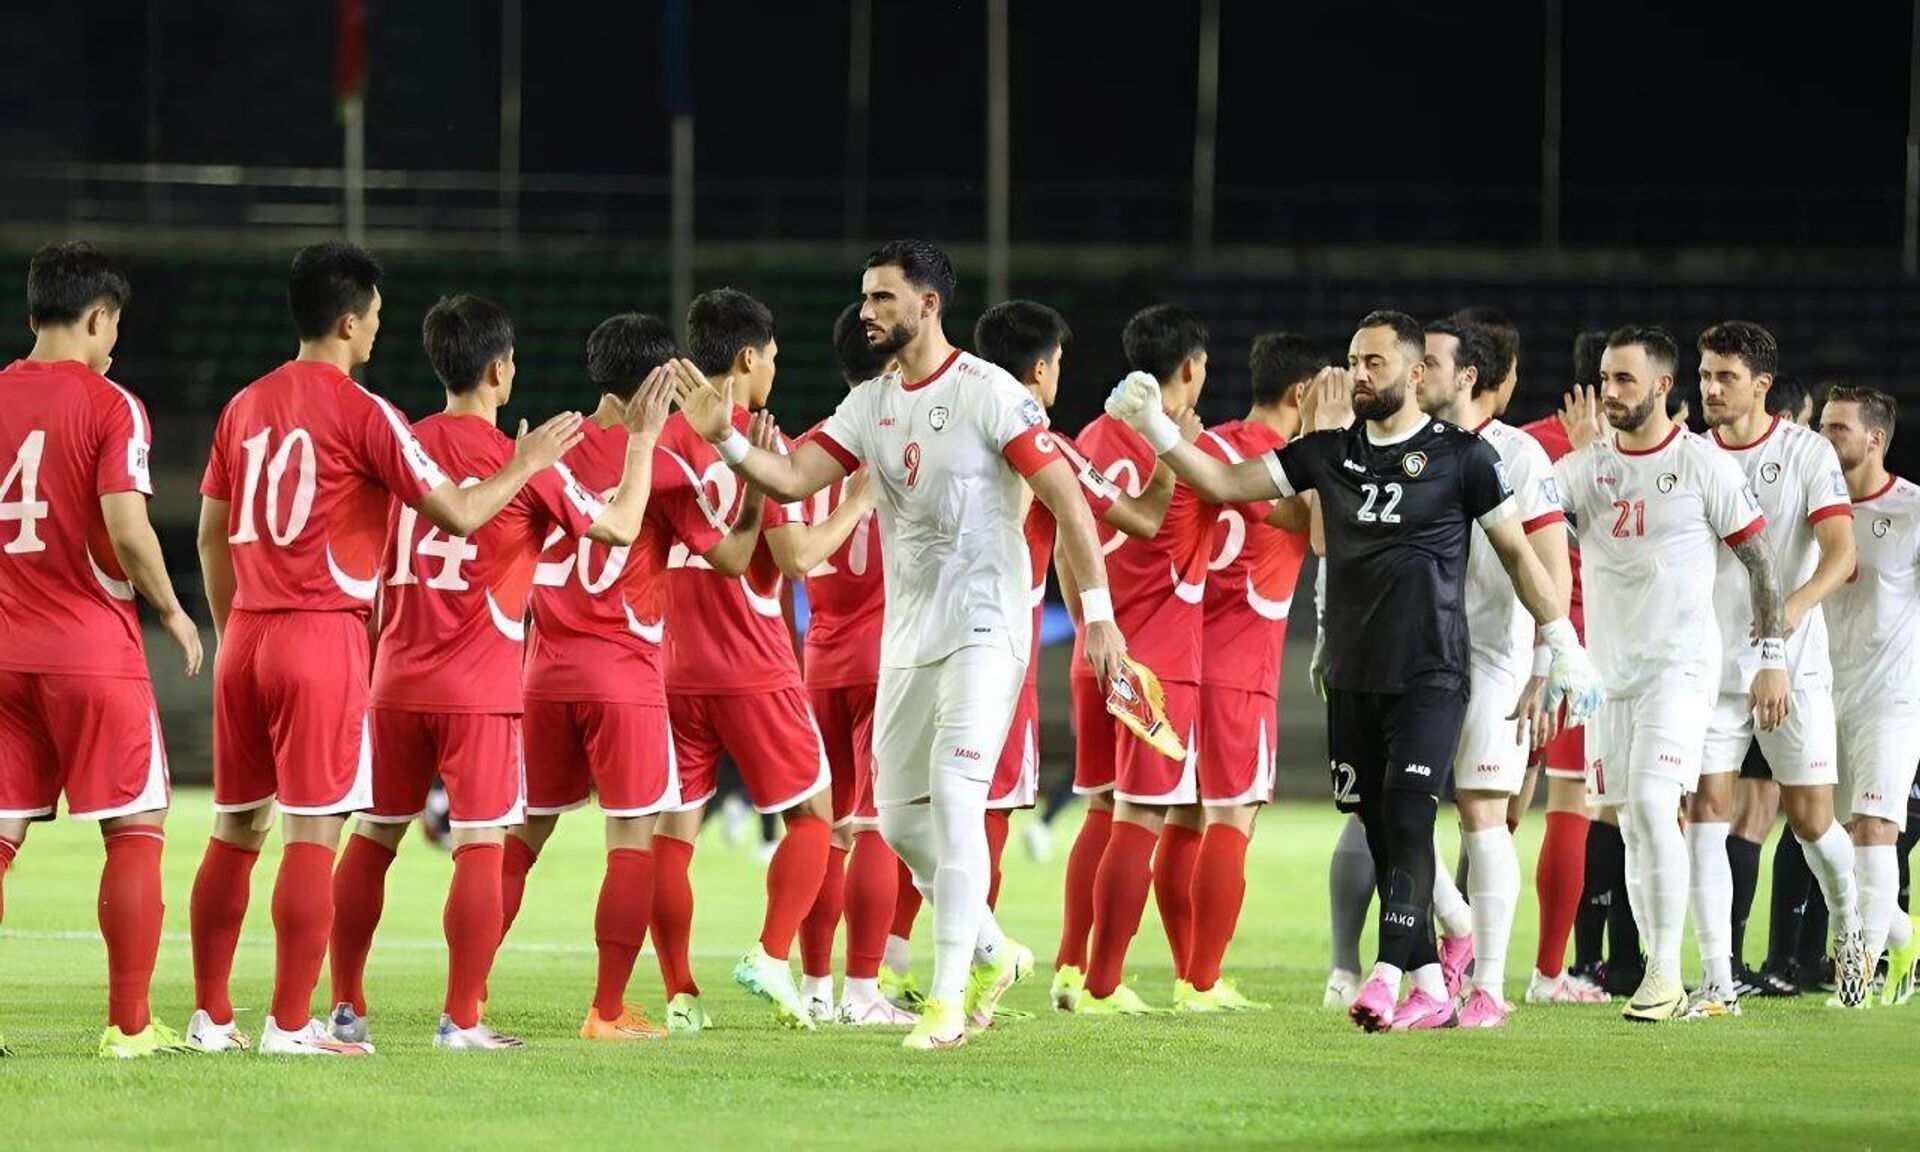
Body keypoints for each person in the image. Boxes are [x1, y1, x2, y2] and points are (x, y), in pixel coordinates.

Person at [669, 238, 1127, 1050]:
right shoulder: (870, 404)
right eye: (866, 298)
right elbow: (796, 479)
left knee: (952, 803)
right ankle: (992, 951)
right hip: (906, 641)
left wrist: (1096, 614)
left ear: (929, 304)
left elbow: (1067, 499)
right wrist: (729, 443)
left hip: (986, 629)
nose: (870, 311)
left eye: (884, 297)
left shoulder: (990, 393)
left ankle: (947, 1002)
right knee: (903, 825)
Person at [1107, 309, 1599, 1032]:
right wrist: (1157, 429)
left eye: (1375, 362)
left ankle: (1387, 973)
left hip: (1433, 672)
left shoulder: (1467, 459)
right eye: (1354, 361)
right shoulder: (1324, 454)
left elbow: (1523, 556)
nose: (1360, 374)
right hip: (1351, 672)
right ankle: (1443, 951)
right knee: (1374, 824)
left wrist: (1561, 640)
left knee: (1409, 815)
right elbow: (1221, 481)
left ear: (1416, 372)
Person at [187, 242, 581, 1056]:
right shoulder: (365, 413)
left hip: (249, 634)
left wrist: (235, 632)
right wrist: (529, 459)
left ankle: (212, 1015)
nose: (376, 330)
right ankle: (291, 1025)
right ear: (346, 320)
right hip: (321, 634)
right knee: (313, 832)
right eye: (372, 316)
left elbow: (208, 536)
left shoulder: (244, 405)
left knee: (234, 829)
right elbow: (461, 513)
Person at [323, 295, 670, 1050]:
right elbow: (616, 527)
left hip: (395, 680)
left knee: (374, 837)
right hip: (479, 687)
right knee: (481, 843)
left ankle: (344, 1007)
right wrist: (640, 443)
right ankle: (462, 1019)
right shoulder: (526, 464)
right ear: (499, 371)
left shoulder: (400, 443)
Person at [501, 312, 763, 1041]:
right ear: (657, 381)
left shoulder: (545, 451)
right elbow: (735, 560)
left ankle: (471, 996)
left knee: (522, 836)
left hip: (542, 674)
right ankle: (608, 1010)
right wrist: (759, 496)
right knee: (631, 840)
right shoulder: (663, 465)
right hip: (623, 674)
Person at [0, 242, 203, 1057]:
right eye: (113, 325)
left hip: (3, 651)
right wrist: (174, 611)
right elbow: (126, 527)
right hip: (89, 649)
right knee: (134, 826)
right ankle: (127, 1027)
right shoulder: (112, 405)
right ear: (96, 317)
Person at [1554, 325, 1790, 1022]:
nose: (1610, 393)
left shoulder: (1700, 464)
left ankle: (1664, 974)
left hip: (1679, 670)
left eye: (1625, 380)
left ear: (1662, 386)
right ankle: (1664, 973)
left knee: (1657, 804)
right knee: (1630, 820)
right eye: (1605, 379)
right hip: (1609, 678)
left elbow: (1762, 561)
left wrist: (1772, 655)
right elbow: (1533, 525)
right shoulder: (1587, 470)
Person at [655, 288, 873, 1031]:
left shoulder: (659, 440)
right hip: (753, 664)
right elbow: (799, 553)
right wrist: (857, 502)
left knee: (670, 838)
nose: (774, 371)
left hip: (673, 666)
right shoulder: (754, 440)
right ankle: (770, 954)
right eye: (773, 357)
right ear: (747, 358)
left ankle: (681, 995)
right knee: (817, 818)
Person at [1690, 321, 1863, 1015]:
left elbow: (1841, 552)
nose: (1710, 388)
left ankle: (1853, 927)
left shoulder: (1805, 452)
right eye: (1704, 375)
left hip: (1794, 668)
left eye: (1725, 377)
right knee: (1706, 810)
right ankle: (1714, 979)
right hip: (1712, 669)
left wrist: (1791, 614)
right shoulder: (1694, 456)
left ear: (1761, 385)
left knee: (1811, 819)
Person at [1413, 318, 1572, 1026]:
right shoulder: (1406, 447)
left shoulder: (1519, 454)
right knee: (1392, 811)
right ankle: (1456, 923)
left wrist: (1548, 660)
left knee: (1482, 813)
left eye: (1432, 362)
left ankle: (1488, 989)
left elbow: (1551, 565)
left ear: (1467, 376)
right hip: (1416, 656)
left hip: (1495, 658)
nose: (1418, 373)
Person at [1061, 304, 1216, 1016]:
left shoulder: (1091, 435)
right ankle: (1102, 983)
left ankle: (1070, 966)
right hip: (1158, 657)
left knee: (1099, 807)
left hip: (1096, 649)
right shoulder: (1185, 451)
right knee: (1142, 815)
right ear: (1188, 368)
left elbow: (1070, 538)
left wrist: (1092, 624)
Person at [1179, 332, 1315, 1012]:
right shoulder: (1292, 465)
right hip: (1242, 669)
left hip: (1182, 657)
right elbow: (1326, 532)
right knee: (1232, 819)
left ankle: (1185, 971)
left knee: (1178, 817)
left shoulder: (1209, 448)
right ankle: (1202, 980)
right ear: (1303, 395)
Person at [798, 303, 903, 1026]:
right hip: (886, 654)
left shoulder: (810, 448)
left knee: (824, 830)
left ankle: (812, 988)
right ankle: (864, 992)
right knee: (874, 826)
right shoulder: (900, 449)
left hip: (819, 653)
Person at [1817, 385, 1920, 1004]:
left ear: (1875, 439)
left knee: (1874, 827)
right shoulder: (1811, 505)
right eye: (1824, 426)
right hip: (1822, 693)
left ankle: (1857, 972)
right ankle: (1904, 933)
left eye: (1839, 429)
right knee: (1822, 834)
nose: (1826, 439)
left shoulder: (1912, 510)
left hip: (1892, 699)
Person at [1519, 327, 1613, 1005]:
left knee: (1489, 812)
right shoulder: (1616, 459)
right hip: (1580, 649)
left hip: (1511, 648)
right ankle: (1551, 973)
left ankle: (1459, 960)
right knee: (1571, 804)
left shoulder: (1520, 445)